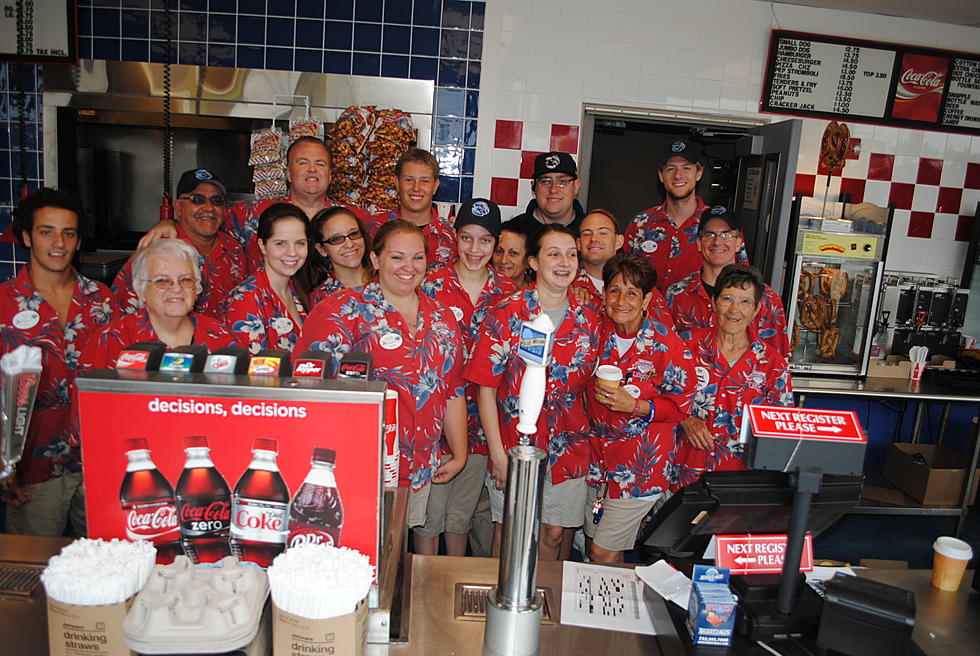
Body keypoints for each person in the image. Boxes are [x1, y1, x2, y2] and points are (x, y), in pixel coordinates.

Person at [294, 220, 468, 542]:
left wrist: (459, 454)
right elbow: (308, 388)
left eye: (417, 258)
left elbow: (452, 389)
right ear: (375, 260)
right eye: (397, 257)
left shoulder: (442, 318)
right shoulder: (342, 310)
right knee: (361, 549)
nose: (409, 267)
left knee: (396, 548)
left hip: (418, 465)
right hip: (359, 465)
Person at [466, 224, 603, 560]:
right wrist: (497, 454)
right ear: (533, 262)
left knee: (554, 536)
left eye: (571, 254)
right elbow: (486, 388)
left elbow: (591, 389)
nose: (564, 262)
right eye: (553, 254)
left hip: (569, 447)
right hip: (516, 444)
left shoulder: (589, 319)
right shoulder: (506, 313)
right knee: (509, 532)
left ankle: (541, 607)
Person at [0, 188, 116, 537]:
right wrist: (5, 467)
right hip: (33, 470)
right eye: (46, 231)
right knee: (34, 571)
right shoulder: (5, 304)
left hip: (99, 465)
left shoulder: (101, 300)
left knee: (101, 568)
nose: (59, 243)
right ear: (26, 236)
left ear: (79, 241)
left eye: (68, 233)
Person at [417, 198, 518, 557]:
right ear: (454, 237)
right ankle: (424, 598)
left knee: (460, 519)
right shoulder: (430, 284)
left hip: (484, 423)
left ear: (497, 242)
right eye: (466, 238)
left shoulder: (510, 294)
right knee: (428, 520)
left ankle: (453, 597)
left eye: (485, 241)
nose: (475, 249)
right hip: (433, 420)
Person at [585, 254, 694, 563]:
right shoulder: (595, 330)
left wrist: (636, 406)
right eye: (614, 290)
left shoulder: (664, 342)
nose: (621, 300)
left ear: (646, 299)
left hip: (640, 467)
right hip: (596, 461)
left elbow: (683, 404)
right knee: (603, 548)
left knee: (601, 551)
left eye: (632, 293)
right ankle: (614, 609)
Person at [139, 137, 355, 273]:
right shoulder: (252, 214)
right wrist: (170, 222)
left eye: (320, 164)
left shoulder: (349, 220)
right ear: (288, 172)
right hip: (264, 315)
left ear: (330, 175)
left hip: (330, 317)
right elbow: (204, 218)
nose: (311, 170)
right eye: (302, 163)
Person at [669, 265, 794, 488]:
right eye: (727, 298)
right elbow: (656, 395)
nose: (734, 309)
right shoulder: (685, 345)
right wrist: (685, 419)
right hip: (683, 474)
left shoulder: (772, 364)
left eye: (745, 301)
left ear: (757, 309)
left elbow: (780, 430)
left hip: (741, 482)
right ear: (714, 302)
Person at [83, 240, 240, 368]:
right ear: (141, 290)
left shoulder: (221, 337)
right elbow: (87, 403)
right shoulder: (111, 340)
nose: (177, 289)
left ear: (196, 287)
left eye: (185, 279)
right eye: (162, 281)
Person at [114, 168, 245, 318]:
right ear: (178, 207)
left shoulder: (233, 248)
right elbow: (121, 316)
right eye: (197, 199)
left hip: (225, 340)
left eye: (217, 201)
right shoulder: (155, 250)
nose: (209, 208)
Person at [665, 207, 790, 357]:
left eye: (726, 235)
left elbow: (777, 364)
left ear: (738, 243)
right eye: (709, 235)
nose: (717, 242)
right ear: (699, 243)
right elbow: (664, 354)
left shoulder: (766, 298)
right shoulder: (676, 294)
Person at [626, 140, 747, 292]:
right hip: (648, 315)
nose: (678, 176)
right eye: (671, 169)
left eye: (686, 168)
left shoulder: (722, 227)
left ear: (699, 173)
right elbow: (621, 277)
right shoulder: (640, 224)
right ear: (661, 175)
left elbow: (743, 286)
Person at [222, 203, 310, 354]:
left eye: (299, 243)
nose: (292, 252)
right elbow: (249, 369)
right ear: (262, 246)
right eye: (280, 243)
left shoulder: (296, 288)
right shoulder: (245, 299)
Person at [363, 148, 456, 269]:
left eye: (424, 181)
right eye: (409, 180)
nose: (416, 187)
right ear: (396, 183)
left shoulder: (452, 236)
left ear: (435, 186)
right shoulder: (372, 231)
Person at [506, 151, 587, 238]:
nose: (553, 189)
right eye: (545, 181)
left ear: (576, 187)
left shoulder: (589, 232)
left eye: (562, 181)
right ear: (534, 188)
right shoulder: (512, 232)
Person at [305, 206, 373, 306]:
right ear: (321, 249)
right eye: (336, 239)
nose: (349, 244)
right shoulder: (322, 299)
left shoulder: (388, 276)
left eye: (353, 234)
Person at [571, 208, 624, 306]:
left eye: (603, 233)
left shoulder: (637, 284)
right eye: (587, 234)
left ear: (619, 241)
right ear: (578, 244)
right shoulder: (563, 285)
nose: (594, 238)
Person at [493, 220, 533, 289]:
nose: (503, 260)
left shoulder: (541, 294)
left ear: (528, 261)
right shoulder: (477, 289)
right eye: (499, 251)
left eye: (513, 253)